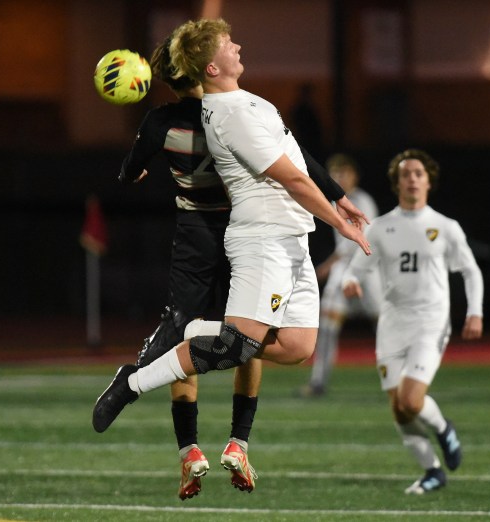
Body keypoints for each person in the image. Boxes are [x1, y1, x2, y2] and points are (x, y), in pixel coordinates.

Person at [92, 16, 371, 481]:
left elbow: (297, 157)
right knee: (236, 342)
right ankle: (160, 409)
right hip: (248, 230)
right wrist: (339, 218)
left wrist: (338, 197)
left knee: (293, 345)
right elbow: (293, 176)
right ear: (207, 70)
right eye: (226, 44)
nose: (238, 46)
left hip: (278, 232)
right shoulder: (225, 114)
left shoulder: (239, 104)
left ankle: (206, 360)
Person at [343, 149, 483, 494]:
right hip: (392, 325)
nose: (412, 179)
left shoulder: (445, 227)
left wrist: (475, 311)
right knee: (400, 410)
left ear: (429, 181)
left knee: (411, 399)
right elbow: (358, 264)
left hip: (430, 322)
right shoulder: (381, 227)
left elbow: (470, 270)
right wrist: (350, 279)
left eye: (418, 173)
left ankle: (443, 428)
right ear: (396, 182)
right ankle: (432, 471)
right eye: (405, 173)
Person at [300, 153, 382, 397]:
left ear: (354, 175)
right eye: (334, 174)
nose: (338, 178)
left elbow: (358, 240)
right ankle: (318, 382)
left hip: (366, 269)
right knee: (326, 326)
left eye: (343, 173)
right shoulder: (335, 200)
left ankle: (396, 379)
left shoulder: (362, 201)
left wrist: (326, 265)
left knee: (385, 325)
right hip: (343, 270)